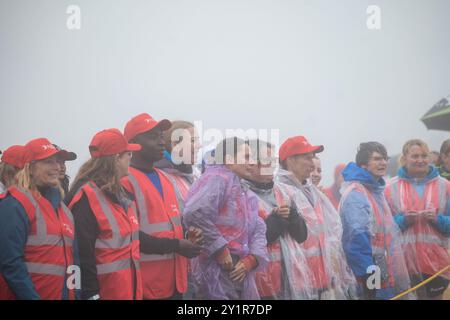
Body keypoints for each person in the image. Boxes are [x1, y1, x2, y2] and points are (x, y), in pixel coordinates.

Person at [122, 113, 201, 300]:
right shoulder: (125, 180)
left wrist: (188, 236)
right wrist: (176, 245)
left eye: (160, 136)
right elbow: (126, 234)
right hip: (143, 284)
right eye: (152, 137)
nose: (160, 142)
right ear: (133, 142)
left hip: (175, 282)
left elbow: (171, 225)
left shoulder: (166, 178)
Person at [183, 137, 268, 299]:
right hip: (217, 266)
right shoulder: (217, 179)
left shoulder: (242, 189)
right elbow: (195, 213)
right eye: (247, 157)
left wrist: (252, 259)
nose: (252, 162)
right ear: (229, 159)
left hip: (238, 269)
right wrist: (220, 249)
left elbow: (258, 227)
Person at [66, 129, 143, 300]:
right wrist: (91, 294)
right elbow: (82, 253)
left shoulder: (121, 195)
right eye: (128, 154)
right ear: (116, 159)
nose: (131, 158)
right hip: (105, 292)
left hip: (128, 290)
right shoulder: (85, 197)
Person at [276, 135, 356, 300]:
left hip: (323, 279)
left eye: (313, 157)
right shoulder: (280, 192)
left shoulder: (313, 192)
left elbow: (331, 234)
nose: (313, 163)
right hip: (298, 283)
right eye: (307, 158)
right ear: (290, 160)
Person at [0, 138, 76, 299]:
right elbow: (11, 263)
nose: (56, 166)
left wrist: (76, 294)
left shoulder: (65, 212)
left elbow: (74, 263)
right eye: (48, 162)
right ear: (31, 168)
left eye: (57, 161)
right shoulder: (14, 204)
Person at [340, 142, 412, 300]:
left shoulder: (375, 191)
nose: (384, 163)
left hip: (384, 273)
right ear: (363, 165)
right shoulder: (357, 194)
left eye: (385, 158)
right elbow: (356, 238)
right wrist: (369, 274)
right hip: (370, 275)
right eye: (377, 159)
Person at [242, 139, 311, 299]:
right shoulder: (241, 194)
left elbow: (302, 237)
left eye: (273, 161)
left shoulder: (287, 192)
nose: (272, 165)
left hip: (292, 280)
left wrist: (294, 217)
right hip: (261, 283)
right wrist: (274, 222)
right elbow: (243, 242)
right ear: (252, 163)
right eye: (267, 161)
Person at [385, 139, 450, 300]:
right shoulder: (389, 188)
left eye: (424, 155)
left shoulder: (445, 186)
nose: (420, 160)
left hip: (437, 263)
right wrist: (403, 220)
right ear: (405, 158)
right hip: (403, 264)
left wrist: (438, 220)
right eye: (415, 156)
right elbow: (383, 227)